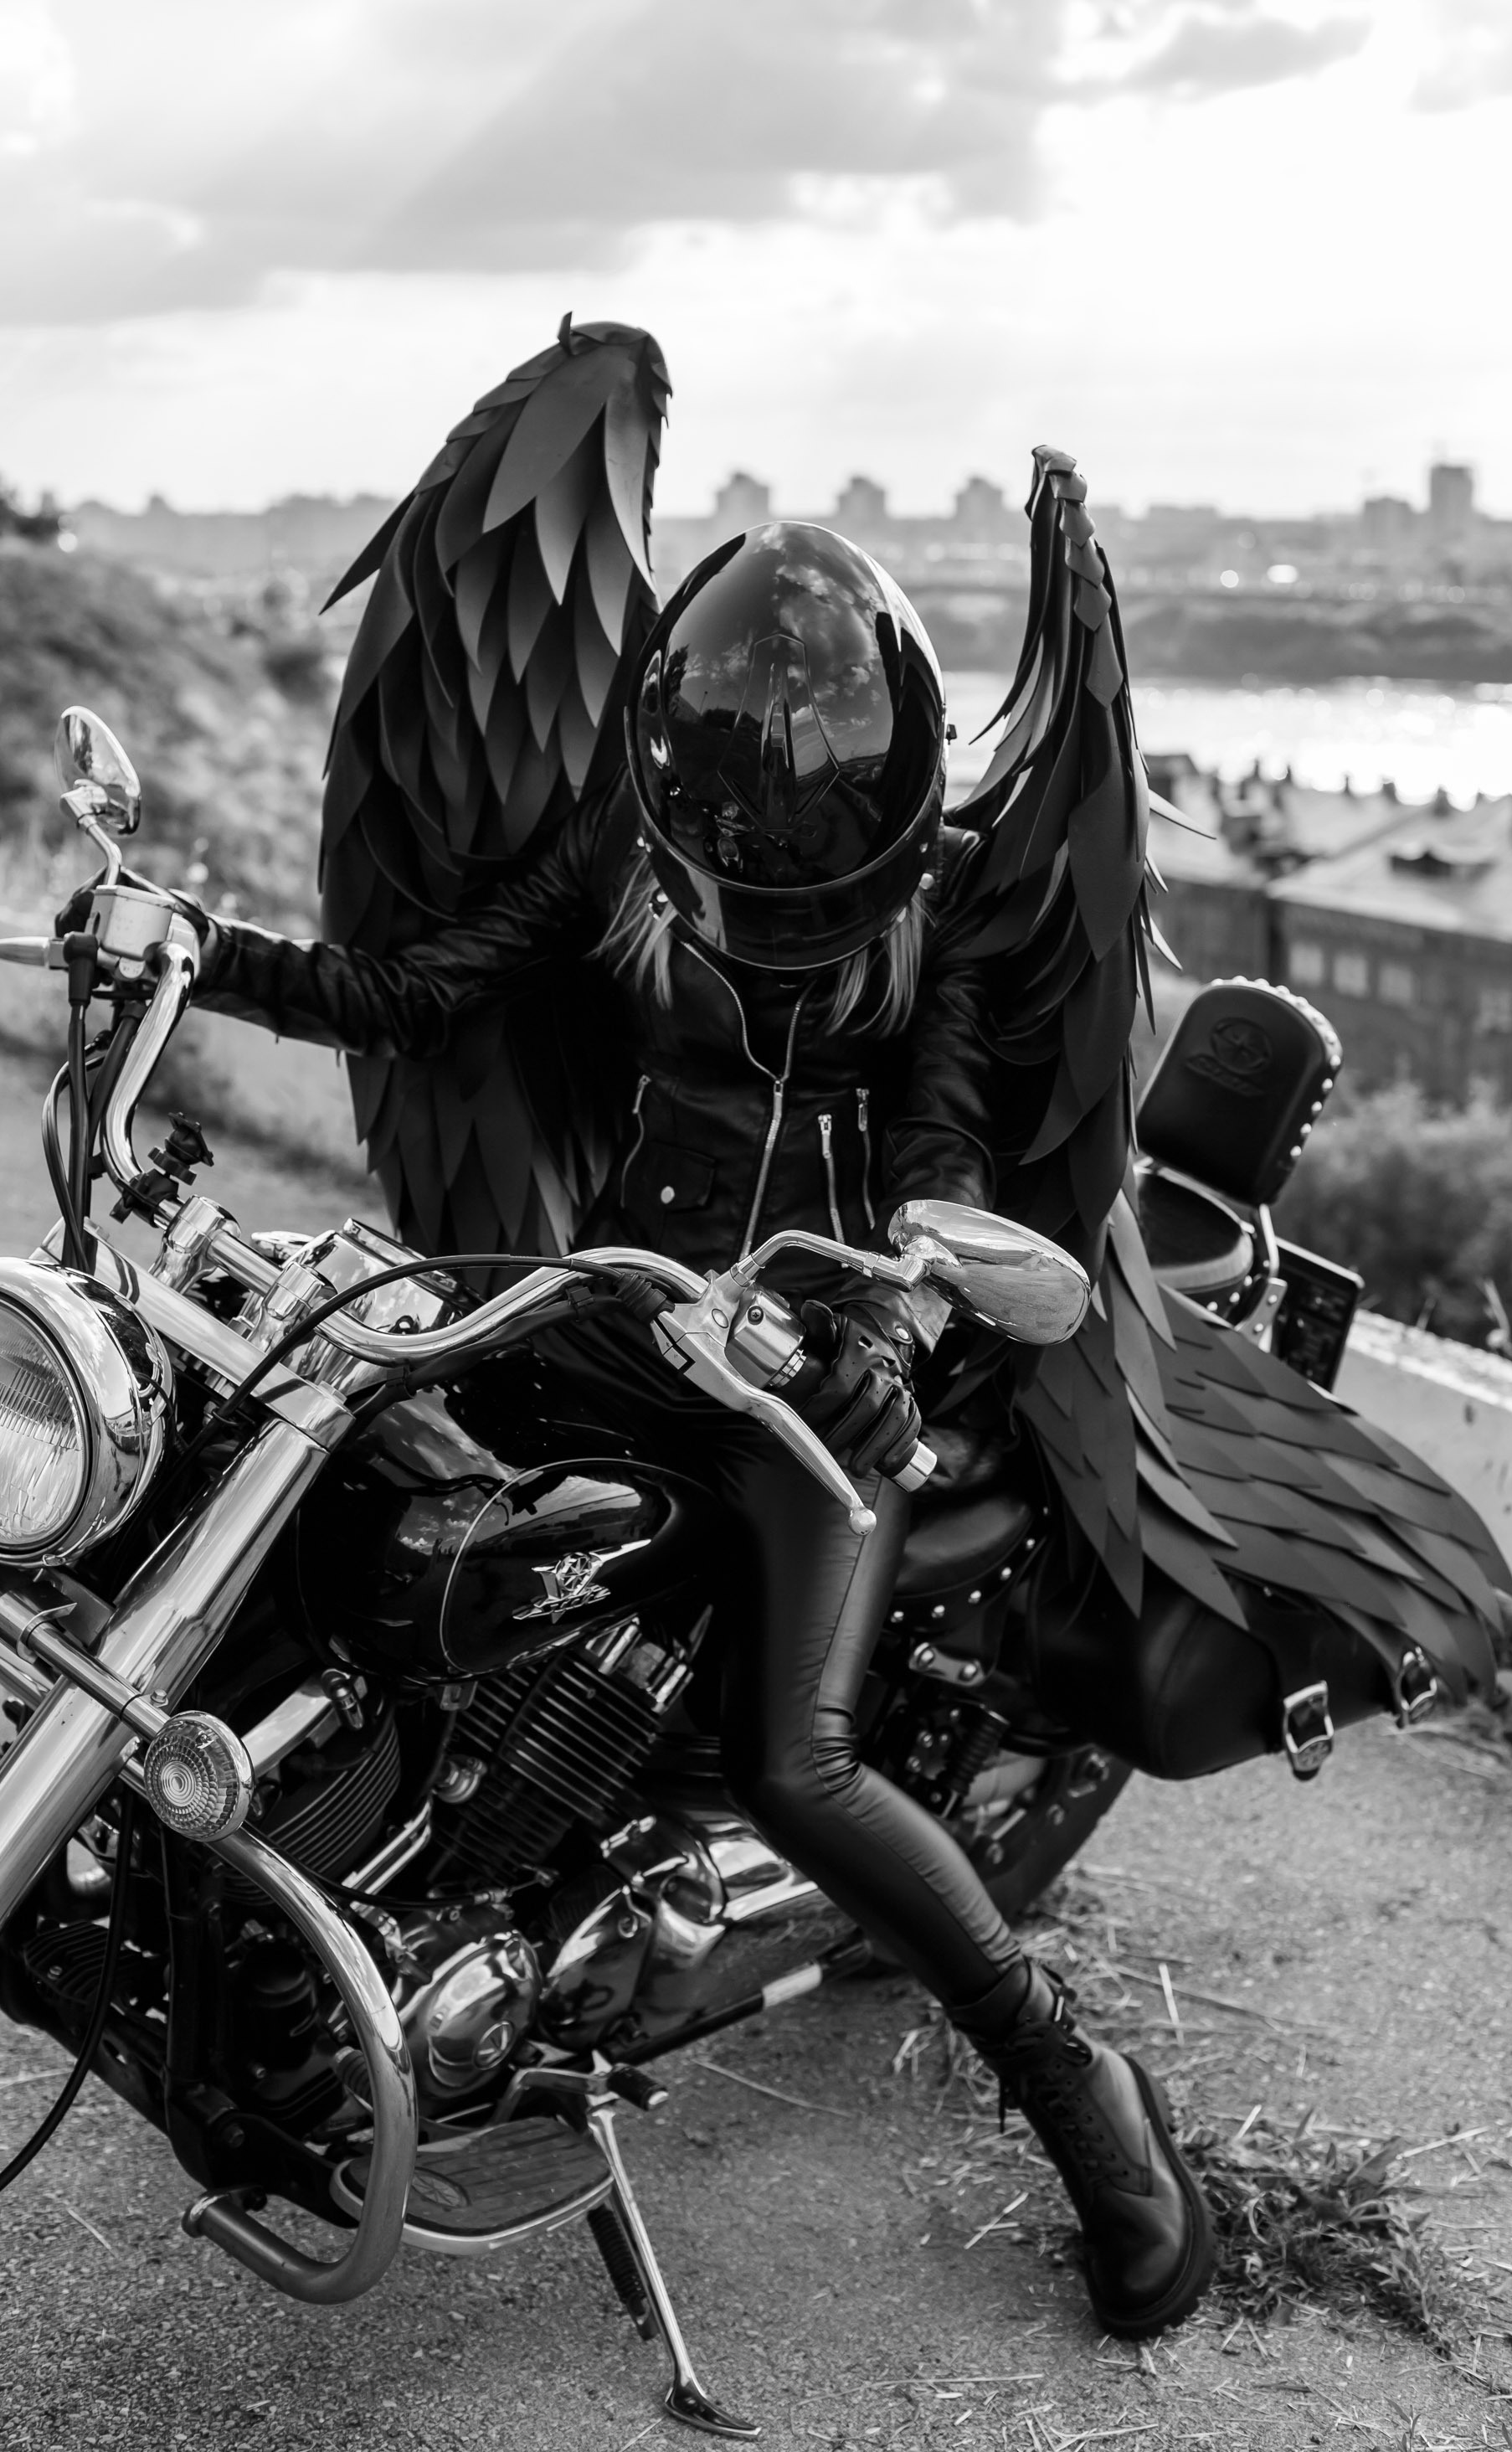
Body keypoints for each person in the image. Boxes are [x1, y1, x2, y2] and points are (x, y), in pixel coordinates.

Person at [184, 514, 1217, 2340]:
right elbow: (421, 992)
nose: (773, 925)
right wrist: (195, 947)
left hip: (805, 1373)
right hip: (601, 1309)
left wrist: (886, 1325)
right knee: (344, 1500)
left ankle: (1088, 2107)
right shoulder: (627, 833)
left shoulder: (958, 901)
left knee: (796, 1764)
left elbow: (940, 1160)